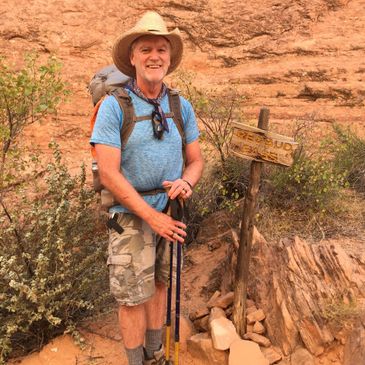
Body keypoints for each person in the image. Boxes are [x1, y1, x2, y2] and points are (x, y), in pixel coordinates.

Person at [90, 11, 204, 365]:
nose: (155, 56)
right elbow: (109, 174)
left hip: (171, 212)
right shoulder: (114, 106)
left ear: (169, 59)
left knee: (160, 285)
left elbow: (196, 160)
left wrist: (187, 181)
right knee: (130, 297)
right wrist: (151, 217)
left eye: (161, 49)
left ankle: (155, 354)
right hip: (130, 216)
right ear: (133, 58)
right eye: (146, 49)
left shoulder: (178, 105)